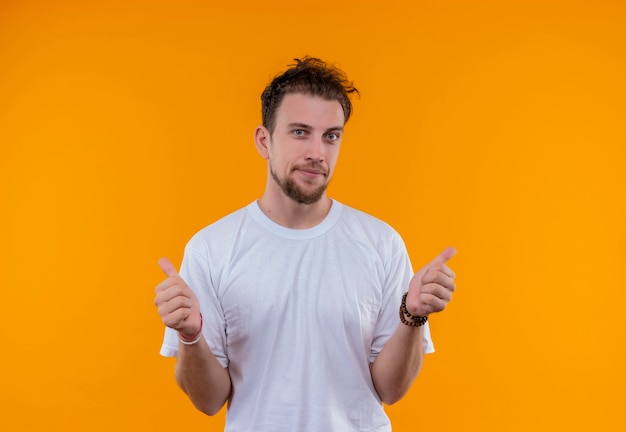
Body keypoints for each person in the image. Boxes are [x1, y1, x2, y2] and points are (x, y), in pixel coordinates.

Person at [154, 57, 457, 432]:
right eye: (300, 132)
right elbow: (208, 401)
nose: (318, 152)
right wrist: (190, 334)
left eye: (331, 135)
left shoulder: (381, 243)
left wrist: (412, 316)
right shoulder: (212, 249)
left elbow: (391, 390)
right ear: (264, 141)